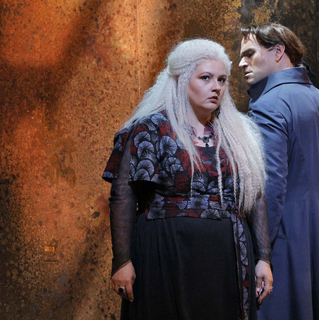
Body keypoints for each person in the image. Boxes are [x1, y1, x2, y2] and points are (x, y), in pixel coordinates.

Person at [102, 39, 273, 320]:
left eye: (221, 79)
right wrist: (122, 260)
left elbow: (256, 197)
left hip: (226, 257)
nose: (216, 86)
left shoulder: (238, 133)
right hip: (165, 251)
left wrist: (263, 258)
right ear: (182, 80)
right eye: (205, 78)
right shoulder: (151, 129)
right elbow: (123, 195)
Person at [239, 23, 319, 320]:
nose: (241, 63)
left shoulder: (267, 106)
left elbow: (270, 188)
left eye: (250, 54)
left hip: (285, 246)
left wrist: (260, 255)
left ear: (279, 52)